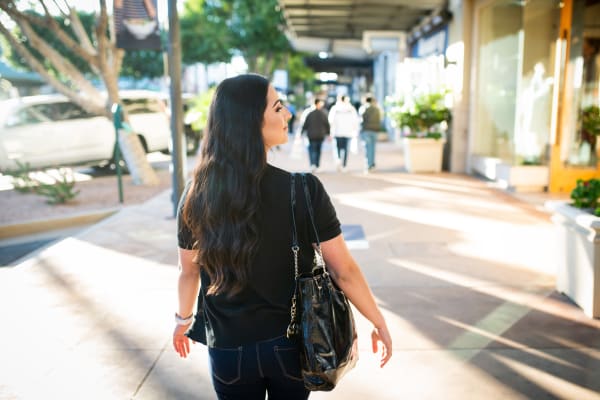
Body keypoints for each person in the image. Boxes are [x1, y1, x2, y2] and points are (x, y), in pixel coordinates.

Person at [173, 74, 392, 400]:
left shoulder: (196, 194)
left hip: (227, 349)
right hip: (290, 346)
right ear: (251, 122)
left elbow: (189, 271)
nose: (288, 114)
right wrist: (378, 321)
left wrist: (183, 319)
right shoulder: (302, 190)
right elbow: (342, 270)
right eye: (278, 108)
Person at [328, 95, 360, 172]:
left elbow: (331, 121)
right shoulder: (351, 109)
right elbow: (355, 121)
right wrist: (355, 131)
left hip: (337, 132)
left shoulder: (335, 108)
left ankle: (338, 160)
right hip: (348, 132)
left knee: (337, 148)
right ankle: (344, 165)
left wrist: (331, 132)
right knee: (345, 149)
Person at [301, 98, 330, 172]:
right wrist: (328, 134)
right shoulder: (323, 113)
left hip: (311, 135)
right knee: (318, 150)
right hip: (320, 135)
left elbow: (305, 124)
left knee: (312, 149)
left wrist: (302, 132)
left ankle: (312, 164)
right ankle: (317, 165)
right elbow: (327, 124)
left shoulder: (309, 113)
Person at [359, 96, 382, 172]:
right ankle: (372, 164)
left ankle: (368, 165)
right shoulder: (377, 109)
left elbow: (361, 120)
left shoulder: (363, 109)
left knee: (367, 148)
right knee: (373, 148)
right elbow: (380, 119)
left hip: (366, 130)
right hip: (375, 131)